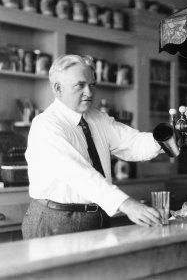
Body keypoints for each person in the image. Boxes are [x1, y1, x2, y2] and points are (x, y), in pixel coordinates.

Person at [22, 54, 163, 239]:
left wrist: (165, 139)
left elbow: (133, 143)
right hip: (56, 219)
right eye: (80, 85)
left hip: (97, 215)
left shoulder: (97, 118)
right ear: (58, 88)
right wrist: (126, 204)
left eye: (92, 85)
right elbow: (78, 173)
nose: (89, 92)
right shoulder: (46, 125)